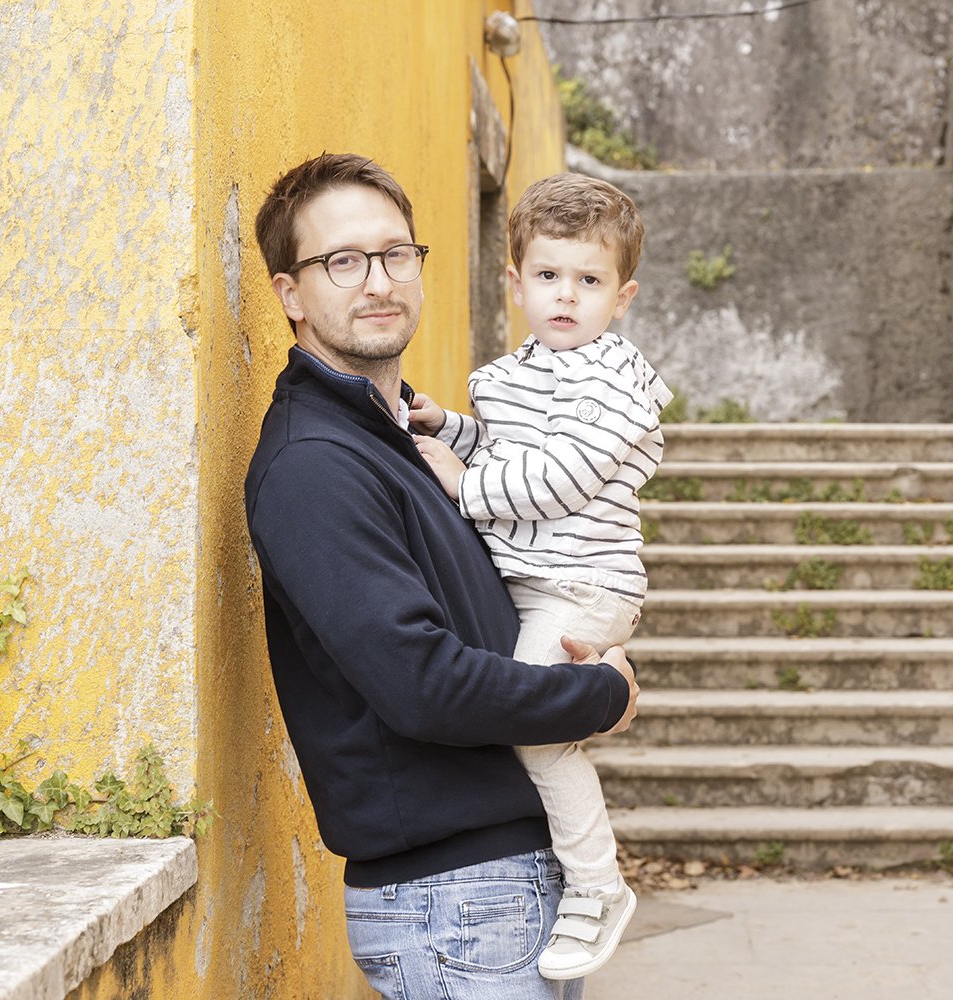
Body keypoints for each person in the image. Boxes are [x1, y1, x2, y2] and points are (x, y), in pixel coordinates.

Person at [244, 153, 639, 1000]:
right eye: (341, 262)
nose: (378, 281)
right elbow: (422, 685)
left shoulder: (397, 433)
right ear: (289, 294)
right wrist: (601, 695)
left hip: (497, 894)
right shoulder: (313, 464)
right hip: (455, 903)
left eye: (396, 254)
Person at [408, 173, 671, 980]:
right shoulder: (523, 369)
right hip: (535, 579)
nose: (567, 297)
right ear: (515, 282)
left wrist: (462, 484)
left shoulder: (617, 386)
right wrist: (447, 427)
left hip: (583, 588)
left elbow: (557, 476)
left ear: (620, 297)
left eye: (589, 282)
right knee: (528, 726)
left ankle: (598, 886)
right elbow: (506, 442)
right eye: (549, 277)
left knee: (535, 731)